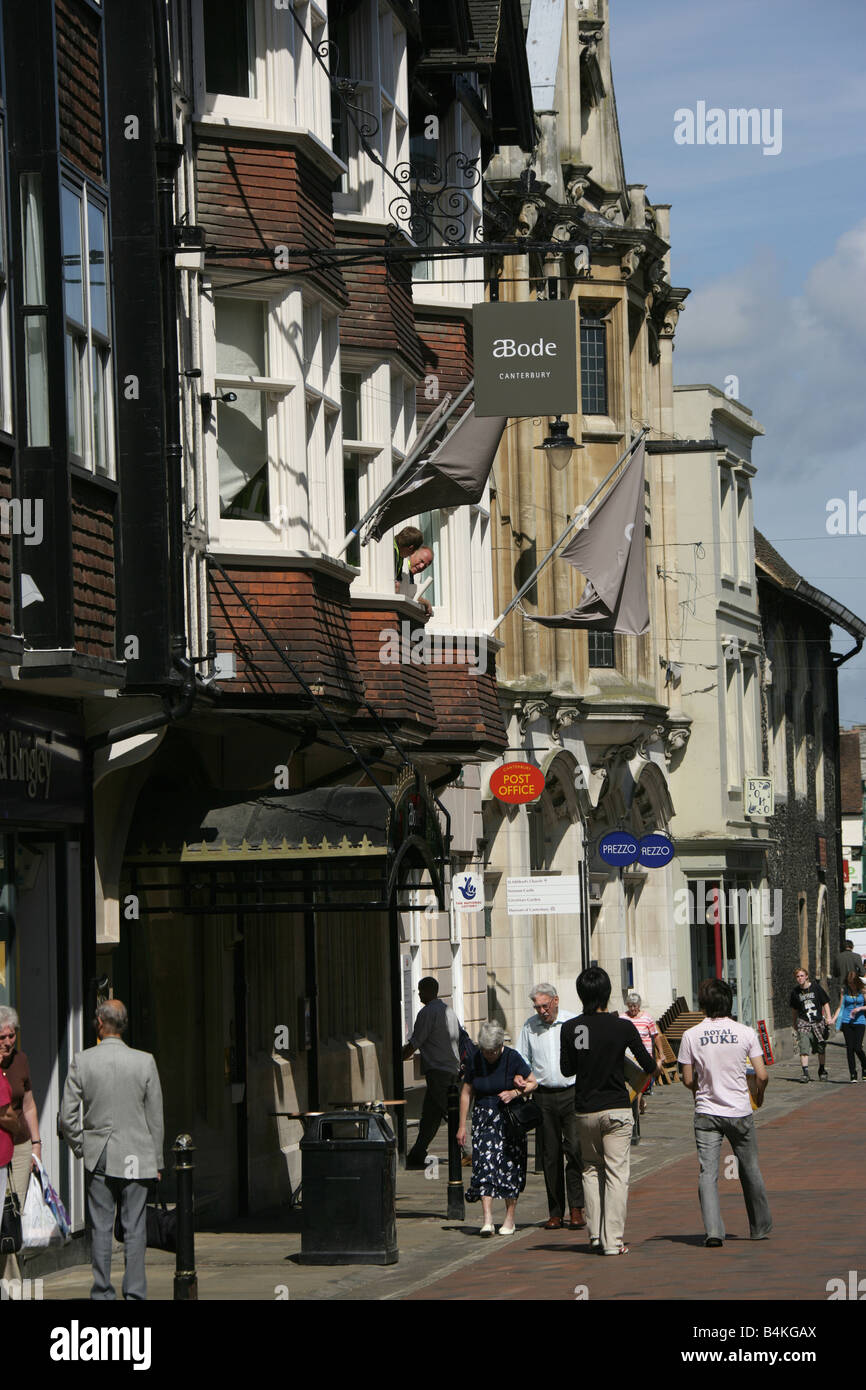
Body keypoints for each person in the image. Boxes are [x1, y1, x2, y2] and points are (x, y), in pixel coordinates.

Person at [60, 999, 164, 1301]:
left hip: (100, 1152)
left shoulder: (83, 1060)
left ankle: (102, 1292)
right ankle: (134, 1294)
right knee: (134, 1228)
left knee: (102, 1227)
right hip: (137, 1153)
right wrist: (156, 1160)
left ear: (100, 1023)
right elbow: (155, 1118)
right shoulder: (145, 1062)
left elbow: (67, 1117)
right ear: (124, 1024)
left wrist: (82, 1146)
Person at [560, 967, 658, 1256]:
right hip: (616, 1107)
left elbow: (567, 1070)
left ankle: (594, 1234)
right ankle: (613, 1240)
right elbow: (648, 1065)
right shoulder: (623, 1027)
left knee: (590, 1170)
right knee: (616, 1174)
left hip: (584, 1110)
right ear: (607, 993)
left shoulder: (571, 1028)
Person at [678, 977, 772, 1248]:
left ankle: (713, 1231)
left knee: (707, 1172)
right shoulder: (745, 1033)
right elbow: (762, 1074)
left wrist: (701, 1091)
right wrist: (758, 1094)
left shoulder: (691, 1035)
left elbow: (686, 1079)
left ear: (704, 1005)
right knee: (750, 1168)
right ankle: (759, 1226)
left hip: (707, 1111)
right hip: (740, 1110)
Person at [457, 1020, 537, 1236]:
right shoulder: (476, 1059)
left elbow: (533, 1082)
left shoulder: (512, 1058)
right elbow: (466, 1093)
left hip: (509, 1118)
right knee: (484, 1165)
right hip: (483, 1116)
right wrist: (461, 1125)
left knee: (510, 1166)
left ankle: (509, 1219)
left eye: (492, 1051)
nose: (489, 1055)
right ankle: (487, 1219)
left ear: (501, 1045)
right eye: (485, 1051)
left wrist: (516, 1092)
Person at [517, 982, 585, 1231]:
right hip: (543, 1095)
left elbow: (584, 1057)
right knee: (550, 1155)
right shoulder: (529, 1026)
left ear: (556, 1001)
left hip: (571, 1092)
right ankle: (555, 1211)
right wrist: (521, 1077)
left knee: (576, 1149)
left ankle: (577, 1208)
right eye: (537, 1007)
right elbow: (522, 1058)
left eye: (545, 1005)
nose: (542, 1011)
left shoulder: (573, 1022)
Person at [403, 978, 460, 1170]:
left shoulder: (427, 1013)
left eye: (421, 990)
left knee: (451, 1113)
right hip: (451, 1068)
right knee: (430, 1116)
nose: (418, 994)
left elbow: (416, 1042)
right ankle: (418, 1152)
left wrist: (399, 1057)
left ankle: (469, 1151)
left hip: (438, 1071)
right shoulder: (449, 1011)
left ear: (429, 991)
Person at [0, 1007, 42, 1212]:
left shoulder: (21, 1060)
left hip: (20, 1144)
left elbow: (28, 1104)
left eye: (12, 1035)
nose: (8, 1042)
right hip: (1, 1143)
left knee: (14, 1208)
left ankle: (12, 1244)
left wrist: (36, 1144)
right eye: (2, 1037)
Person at [619, 990, 664, 1123]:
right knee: (634, 1085)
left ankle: (635, 1112)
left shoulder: (647, 1017)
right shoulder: (622, 1018)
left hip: (644, 1056)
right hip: (627, 1057)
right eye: (630, 1006)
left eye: (635, 1006)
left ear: (639, 1006)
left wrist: (661, 1053)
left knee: (639, 1084)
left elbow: (656, 1036)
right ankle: (640, 1103)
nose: (633, 1009)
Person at [790, 966, 832, 1081]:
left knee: (821, 1048)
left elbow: (825, 1002)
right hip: (804, 1023)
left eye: (802, 976)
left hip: (818, 1022)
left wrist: (828, 1017)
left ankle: (822, 1069)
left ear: (807, 976)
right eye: (797, 976)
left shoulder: (816, 988)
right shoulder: (795, 992)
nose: (800, 978)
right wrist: (794, 1023)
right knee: (803, 1047)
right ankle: (805, 1073)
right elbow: (794, 1010)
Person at [833, 969, 866, 1082]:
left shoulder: (863, 991)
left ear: (857, 982)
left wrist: (860, 1008)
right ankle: (853, 1074)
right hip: (847, 1022)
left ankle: (864, 1066)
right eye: (849, 983)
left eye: (853, 983)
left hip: (860, 1022)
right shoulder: (845, 990)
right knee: (850, 1048)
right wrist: (833, 1019)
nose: (851, 986)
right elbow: (840, 1007)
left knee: (857, 1047)